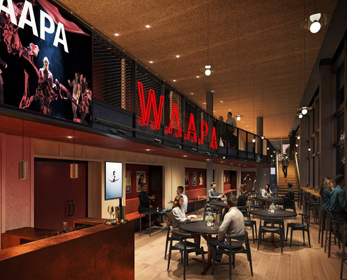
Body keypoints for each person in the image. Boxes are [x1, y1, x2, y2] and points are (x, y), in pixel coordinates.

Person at [207, 195, 245, 262]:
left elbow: (221, 229)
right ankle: (218, 257)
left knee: (210, 241)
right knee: (222, 239)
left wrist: (219, 239)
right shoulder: (240, 213)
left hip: (232, 243)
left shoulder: (229, 214)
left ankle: (214, 257)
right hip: (241, 241)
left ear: (227, 203)